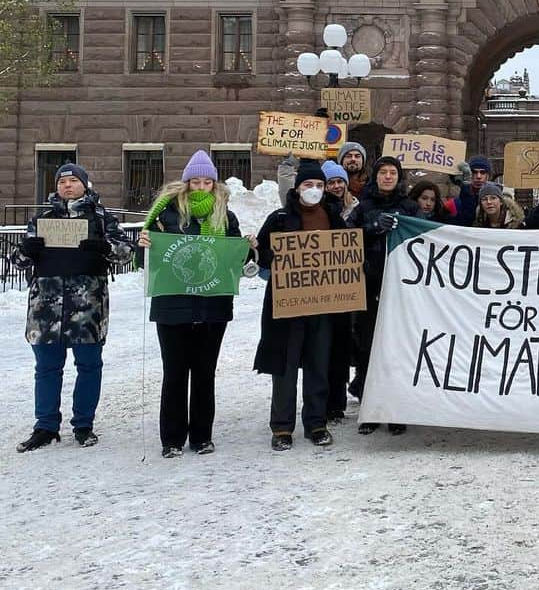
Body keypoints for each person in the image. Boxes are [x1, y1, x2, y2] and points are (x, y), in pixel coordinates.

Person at [137, 151, 255, 457]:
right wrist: (144, 247)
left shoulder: (225, 215)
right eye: (196, 181)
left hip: (212, 306)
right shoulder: (165, 214)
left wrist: (248, 250)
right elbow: (148, 263)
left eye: (207, 181)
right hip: (172, 306)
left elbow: (234, 261)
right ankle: (171, 439)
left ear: (214, 185)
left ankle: (202, 436)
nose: (201, 186)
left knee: (204, 372)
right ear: (186, 183)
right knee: (174, 372)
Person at [13, 163, 133, 452]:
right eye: (61, 181)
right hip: (46, 309)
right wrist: (27, 251)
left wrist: (105, 247)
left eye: (72, 181)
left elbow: (127, 253)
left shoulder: (102, 218)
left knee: (89, 365)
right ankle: (45, 426)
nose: (67, 186)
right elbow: (18, 260)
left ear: (85, 185)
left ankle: (83, 425)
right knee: (46, 368)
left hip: (87, 307)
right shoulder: (42, 218)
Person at [253, 161, 344, 451]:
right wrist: (262, 252)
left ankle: (316, 424)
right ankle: (282, 428)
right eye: (308, 185)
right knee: (285, 367)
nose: (314, 190)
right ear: (297, 189)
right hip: (287, 306)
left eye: (319, 185)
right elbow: (262, 255)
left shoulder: (333, 215)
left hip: (323, 304)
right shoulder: (279, 218)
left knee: (319, 365)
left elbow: (347, 251)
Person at [350, 155, 421, 435]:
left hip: (402, 290)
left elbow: (425, 240)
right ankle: (371, 410)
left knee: (397, 349)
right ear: (376, 176)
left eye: (393, 172)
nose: (388, 177)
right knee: (368, 349)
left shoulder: (410, 207)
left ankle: (396, 410)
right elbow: (347, 239)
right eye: (383, 172)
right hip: (369, 285)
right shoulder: (362, 207)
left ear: (398, 177)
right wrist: (372, 228)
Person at [320, 159, 359, 422]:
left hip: (348, 287)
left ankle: (338, 403)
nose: (335, 186)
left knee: (343, 349)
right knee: (322, 350)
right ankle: (323, 403)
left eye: (339, 181)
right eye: (331, 182)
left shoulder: (356, 209)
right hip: (321, 290)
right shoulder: (316, 210)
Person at [452, 155, 492, 227]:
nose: (478, 176)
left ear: (488, 176)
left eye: (482, 172)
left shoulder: (496, 201)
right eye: (474, 172)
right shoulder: (455, 203)